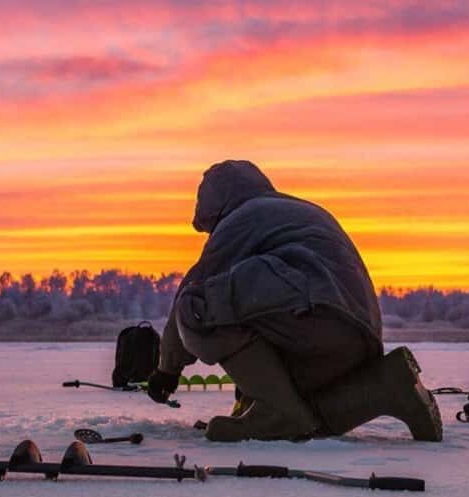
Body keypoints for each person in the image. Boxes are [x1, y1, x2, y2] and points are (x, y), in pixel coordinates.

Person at [146, 159, 442, 443]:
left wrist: (167, 370)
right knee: (307, 416)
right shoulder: (298, 210)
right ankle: (389, 385)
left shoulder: (242, 219)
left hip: (315, 321)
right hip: (352, 342)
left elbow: (188, 299)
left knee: (198, 306)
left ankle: (276, 411)